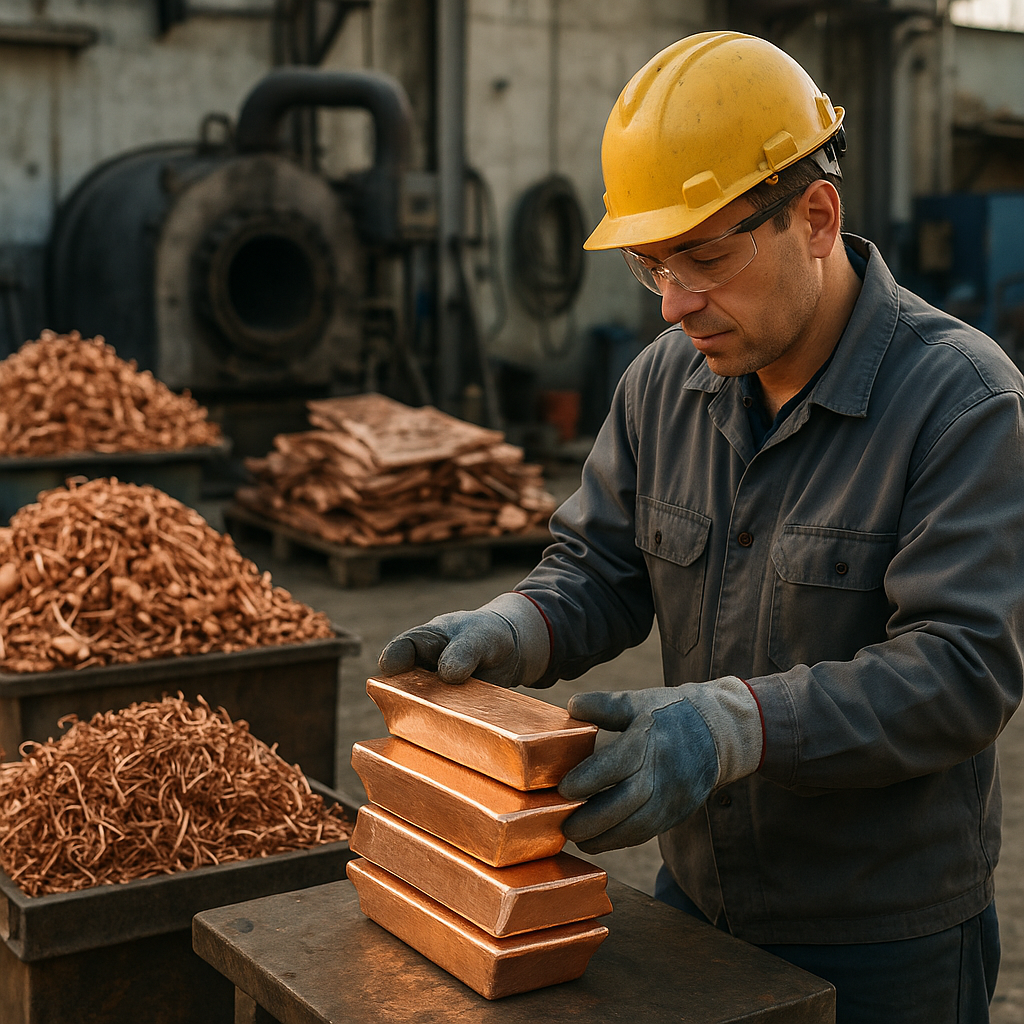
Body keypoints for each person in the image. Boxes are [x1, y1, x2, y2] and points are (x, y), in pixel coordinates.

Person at [379, 30, 1024, 1023]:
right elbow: (599, 571)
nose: (676, 303)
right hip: (693, 901)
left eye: (705, 256)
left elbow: (959, 670)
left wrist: (736, 723)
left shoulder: (962, 402)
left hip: (882, 940)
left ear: (816, 216)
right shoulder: (663, 385)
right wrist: (513, 624)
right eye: (650, 266)